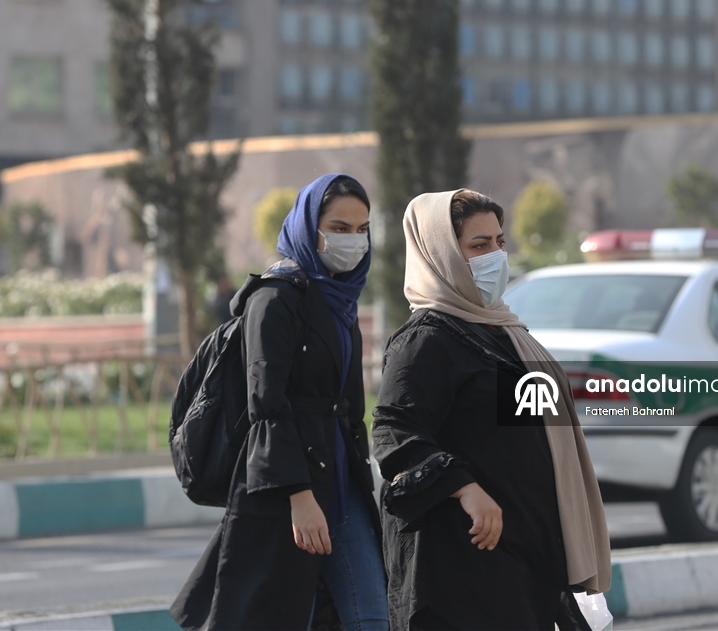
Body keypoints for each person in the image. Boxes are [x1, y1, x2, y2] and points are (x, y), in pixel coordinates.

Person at [372, 189, 611, 631]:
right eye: (479, 246)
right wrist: (465, 487)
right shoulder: (425, 340)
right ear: (440, 253)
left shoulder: (503, 330)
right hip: (461, 566)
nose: (495, 256)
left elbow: (529, 438)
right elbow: (394, 434)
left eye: (499, 242)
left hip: (523, 559)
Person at [171, 174, 388, 631]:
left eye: (361, 229)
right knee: (279, 616)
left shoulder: (341, 302)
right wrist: (299, 496)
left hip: (343, 487)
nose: (353, 240)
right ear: (310, 228)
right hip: (287, 493)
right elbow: (265, 403)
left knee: (372, 617)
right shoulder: (274, 298)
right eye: (339, 227)